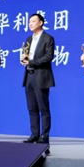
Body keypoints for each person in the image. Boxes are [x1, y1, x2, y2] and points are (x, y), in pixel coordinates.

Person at [22, 13, 55, 146]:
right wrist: (24, 59)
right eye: (29, 22)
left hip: (41, 76)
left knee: (43, 108)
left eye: (33, 21)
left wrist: (32, 62)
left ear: (41, 23)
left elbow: (48, 57)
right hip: (29, 76)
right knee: (32, 108)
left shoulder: (48, 38)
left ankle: (44, 135)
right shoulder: (29, 39)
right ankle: (34, 134)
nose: (30, 24)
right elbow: (27, 54)